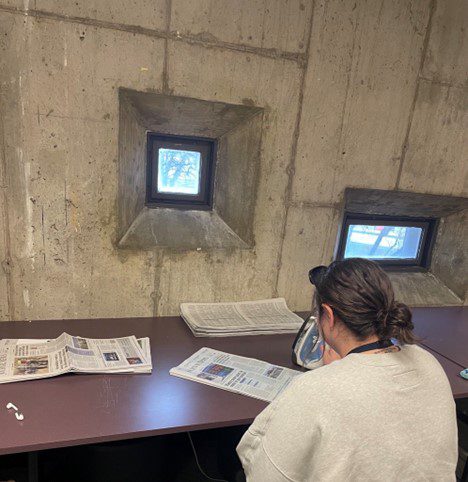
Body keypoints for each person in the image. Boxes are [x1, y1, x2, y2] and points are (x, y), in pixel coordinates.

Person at [237, 258, 458, 481]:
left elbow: (263, 473)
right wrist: (341, 372)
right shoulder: (428, 362)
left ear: (328, 316)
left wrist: (332, 376)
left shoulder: (314, 389)